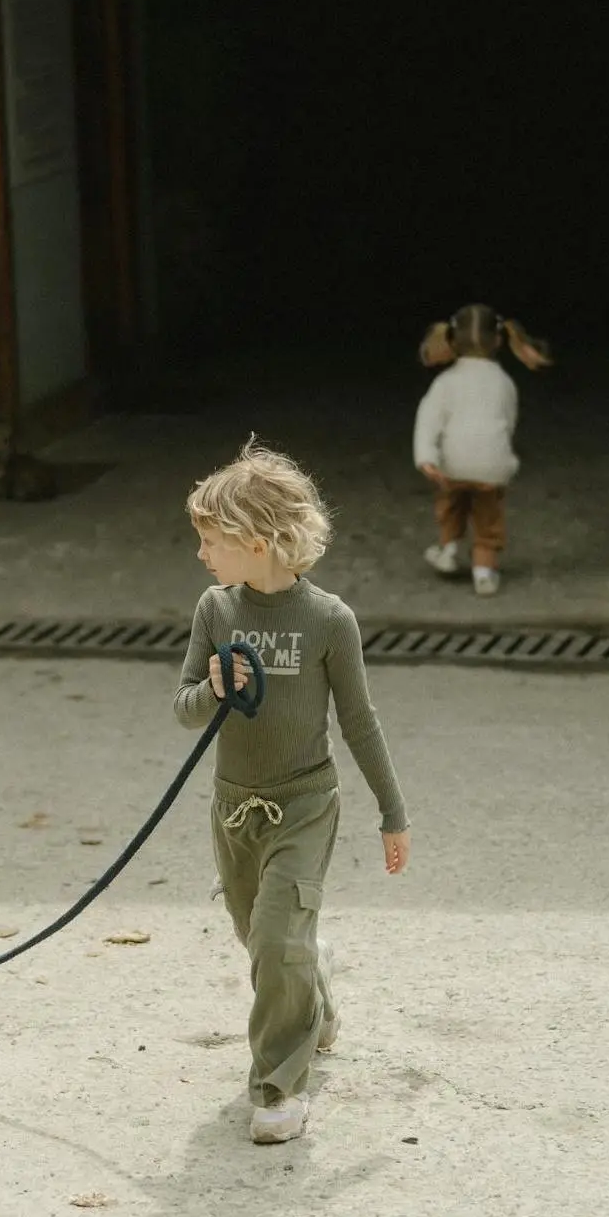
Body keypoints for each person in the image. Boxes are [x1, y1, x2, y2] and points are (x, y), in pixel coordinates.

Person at [175, 441, 410, 1144]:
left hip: (305, 805)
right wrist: (213, 686)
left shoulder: (328, 620)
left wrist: (392, 815)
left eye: (210, 541)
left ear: (257, 542)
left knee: (277, 942)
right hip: (233, 807)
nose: (201, 554)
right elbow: (183, 706)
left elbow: (359, 723)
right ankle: (315, 987)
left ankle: (278, 1086)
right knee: (264, 942)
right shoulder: (215, 611)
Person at [414, 303, 554, 596]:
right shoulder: (504, 383)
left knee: (451, 505)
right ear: (500, 340)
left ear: (451, 339)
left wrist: (427, 457)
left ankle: (448, 550)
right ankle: (485, 573)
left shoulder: (446, 382)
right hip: (493, 465)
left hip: (453, 463)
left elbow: (428, 420)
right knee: (488, 517)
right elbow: (508, 422)